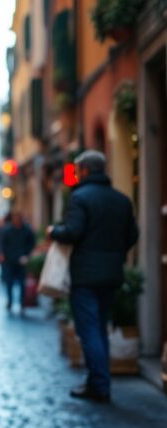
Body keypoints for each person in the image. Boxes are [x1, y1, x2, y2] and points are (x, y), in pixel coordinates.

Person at [49, 150, 138, 403]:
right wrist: (116, 252)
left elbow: (73, 231)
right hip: (111, 274)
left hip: (86, 275)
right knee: (99, 328)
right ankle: (98, 381)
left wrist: (54, 231)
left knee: (89, 331)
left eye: (77, 170)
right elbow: (132, 235)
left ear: (85, 171)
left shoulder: (80, 198)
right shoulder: (122, 200)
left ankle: (99, 385)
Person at [0, 211, 35, 313]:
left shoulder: (27, 230)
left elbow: (31, 243)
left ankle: (22, 302)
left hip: (22, 261)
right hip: (9, 260)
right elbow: (2, 243)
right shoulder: (7, 230)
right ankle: (10, 300)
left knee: (22, 283)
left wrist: (27, 255)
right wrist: (2, 254)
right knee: (9, 282)